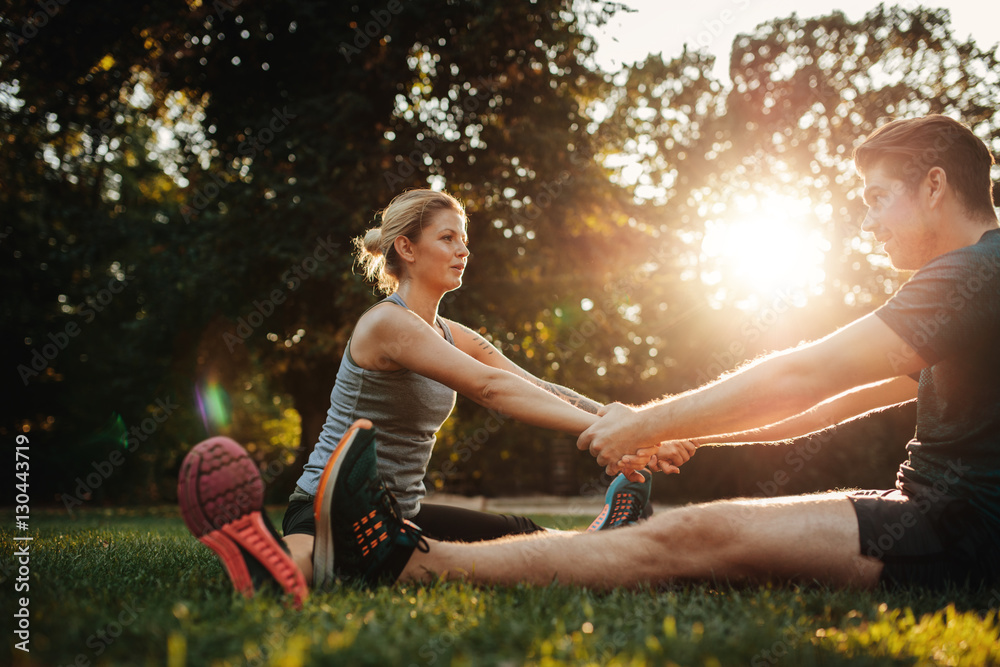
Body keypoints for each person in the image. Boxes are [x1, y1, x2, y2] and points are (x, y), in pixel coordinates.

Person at [301, 114, 1000, 592]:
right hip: (930, 512)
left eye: (879, 199)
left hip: (955, 531)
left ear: (934, 185)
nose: (870, 222)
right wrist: (665, 429)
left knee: (696, 534)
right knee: (703, 538)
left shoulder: (973, 274)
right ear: (405, 249)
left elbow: (806, 373)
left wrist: (641, 426)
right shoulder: (969, 289)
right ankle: (372, 547)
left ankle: (400, 561)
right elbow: (816, 405)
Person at [178, 189, 686, 602]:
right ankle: (264, 565)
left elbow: (534, 385)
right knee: (312, 560)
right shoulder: (385, 324)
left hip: (400, 514)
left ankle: (609, 535)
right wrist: (612, 433)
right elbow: (491, 388)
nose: (464, 250)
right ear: (407, 247)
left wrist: (641, 426)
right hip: (325, 505)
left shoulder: (449, 332)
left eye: (464, 240)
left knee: (524, 532)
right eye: (448, 238)